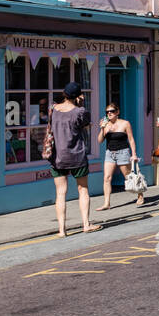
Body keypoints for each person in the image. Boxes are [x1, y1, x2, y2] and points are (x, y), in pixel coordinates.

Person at [49, 82, 101, 236]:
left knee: (60, 193)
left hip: (57, 156)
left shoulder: (53, 109)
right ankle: (86, 224)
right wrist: (80, 104)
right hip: (76, 155)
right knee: (83, 189)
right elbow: (85, 124)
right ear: (78, 96)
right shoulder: (80, 111)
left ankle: (62, 230)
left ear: (64, 94)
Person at [97, 102, 139, 209]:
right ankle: (107, 203)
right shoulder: (106, 125)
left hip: (123, 152)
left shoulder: (125, 123)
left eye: (112, 111)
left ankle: (140, 194)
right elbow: (99, 140)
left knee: (128, 177)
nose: (109, 113)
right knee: (107, 178)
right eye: (107, 112)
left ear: (117, 112)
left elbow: (131, 139)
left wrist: (134, 154)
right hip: (110, 153)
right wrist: (102, 128)